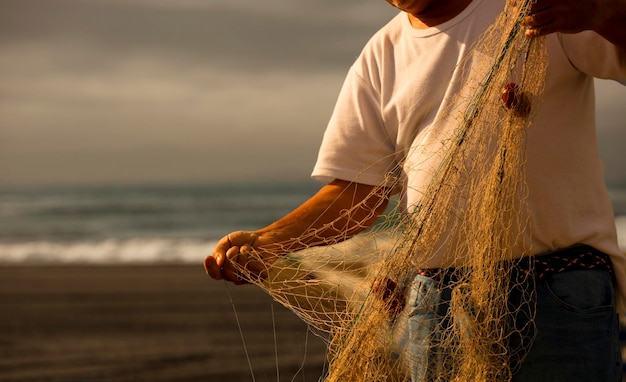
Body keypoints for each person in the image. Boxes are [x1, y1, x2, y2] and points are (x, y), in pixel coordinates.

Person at [205, 0, 626, 380]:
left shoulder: (538, 10)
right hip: (436, 302)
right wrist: (268, 241)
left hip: (556, 289)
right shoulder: (381, 55)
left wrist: (604, 14)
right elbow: (357, 194)